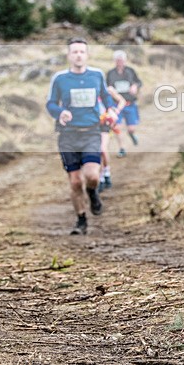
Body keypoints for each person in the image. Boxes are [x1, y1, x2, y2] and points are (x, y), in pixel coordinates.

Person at [46, 38, 126, 235]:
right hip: (68, 135)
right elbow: (50, 104)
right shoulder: (60, 79)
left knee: (91, 176)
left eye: (82, 51)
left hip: (91, 132)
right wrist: (60, 112)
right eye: (74, 52)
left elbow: (106, 97)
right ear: (69, 55)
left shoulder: (97, 75)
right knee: (75, 182)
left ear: (87, 55)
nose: (78, 55)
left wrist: (111, 110)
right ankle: (81, 220)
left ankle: (92, 192)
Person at [106, 50, 143, 158]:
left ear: (125, 61)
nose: (120, 62)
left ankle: (131, 134)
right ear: (115, 61)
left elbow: (139, 82)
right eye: (118, 60)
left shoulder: (131, 71)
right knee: (117, 127)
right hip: (116, 105)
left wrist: (135, 86)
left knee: (131, 128)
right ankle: (122, 148)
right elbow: (106, 87)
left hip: (130, 103)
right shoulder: (110, 73)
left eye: (122, 60)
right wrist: (110, 89)